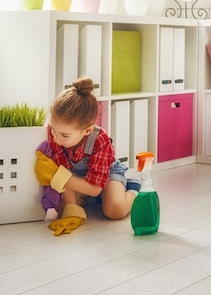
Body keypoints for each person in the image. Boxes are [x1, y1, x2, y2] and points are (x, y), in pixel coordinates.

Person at [34, 77, 140, 235]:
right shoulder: (56, 134)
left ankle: (134, 190)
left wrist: (60, 177)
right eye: (53, 130)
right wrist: (71, 209)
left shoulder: (99, 139)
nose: (55, 138)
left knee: (115, 211)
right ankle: (90, 200)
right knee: (61, 209)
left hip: (105, 175)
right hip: (76, 175)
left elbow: (94, 188)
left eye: (64, 135)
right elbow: (65, 169)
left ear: (88, 130)